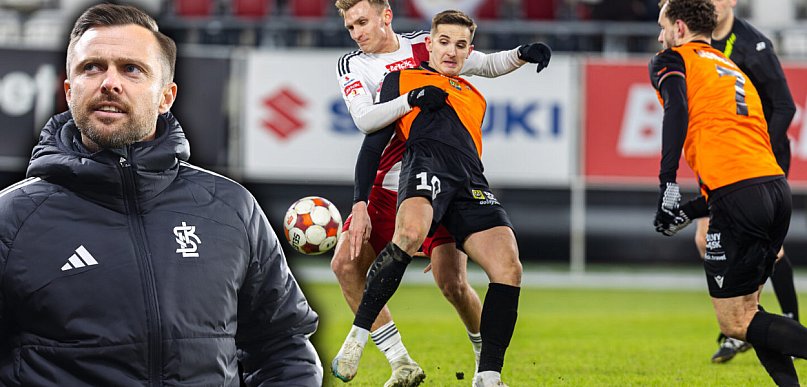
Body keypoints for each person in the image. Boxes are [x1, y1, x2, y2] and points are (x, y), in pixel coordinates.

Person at [0, 4, 321, 386]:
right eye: (92, 67)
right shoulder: (12, 218)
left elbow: (283, 347)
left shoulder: (231, 209)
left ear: (166, 97)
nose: (109, 82)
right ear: (69, 91)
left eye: (132, 69)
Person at [332, 0, 550, 385]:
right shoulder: (355, 66)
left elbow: (482, 63)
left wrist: (520, 55)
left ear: (387, 16)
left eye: (363, 22)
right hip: (391, 181)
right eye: (351, 27)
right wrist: (409, 101)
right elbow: (366, 122)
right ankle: (400, 361)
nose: (357, 33)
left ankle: (487, 363)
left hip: (454, 180)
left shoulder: (427, 47)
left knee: (453, 282)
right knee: (345, 264)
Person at [651, 0, 807, 385]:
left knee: (736, 320)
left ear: (681, 29)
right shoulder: (732, 68)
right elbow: (739, 165)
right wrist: (687, 211)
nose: (660, 36)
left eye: (663, 26)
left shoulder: (674, 60)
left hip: (741, 195)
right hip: (773, 190)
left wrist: (667, 183)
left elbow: (676, 110)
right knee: (749, 311)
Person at [697, 0, 799, 364]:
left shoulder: (753, 45)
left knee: (767, 247)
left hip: (758, 160)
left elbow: (785, 106)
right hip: (725, 160)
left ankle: (775, 322)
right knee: (705, 237)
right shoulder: (701, 41)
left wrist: (759, 148)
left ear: (732, 2)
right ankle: (743, 323)